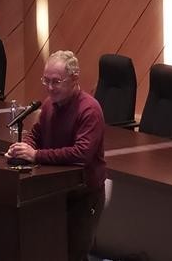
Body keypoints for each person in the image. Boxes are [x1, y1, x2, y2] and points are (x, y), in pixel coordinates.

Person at [7, 50, 106, 261]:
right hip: (54, 192)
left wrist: (36, 155)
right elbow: (35, 135)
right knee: (51, 250)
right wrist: (23, 149)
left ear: (74, 79)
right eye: (46, 81)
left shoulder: (89, 109)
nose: (50, 88)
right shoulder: (49, 105)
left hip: (84, 195)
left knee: (74, 254)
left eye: (56, 81)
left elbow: (82, 154)